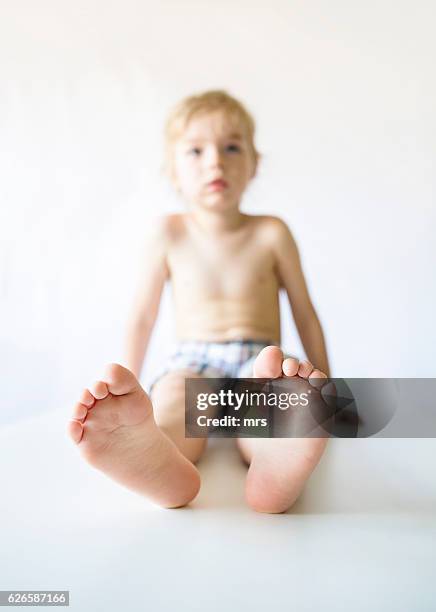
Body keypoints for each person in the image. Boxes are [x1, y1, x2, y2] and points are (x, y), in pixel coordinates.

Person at [68, 90, 331, 513]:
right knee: (174, 399)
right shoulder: (168, 234)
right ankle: (155, 454)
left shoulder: (272, 233)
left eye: (231, 147)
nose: (215, 161)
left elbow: (305, 311)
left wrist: (330, 385)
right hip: (192, 361)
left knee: (271, 403)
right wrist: (129, 385)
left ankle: (275, 459)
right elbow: (142, 315)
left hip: (259, 362)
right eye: (195, 151)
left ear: (253, 165)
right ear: (173, 170)